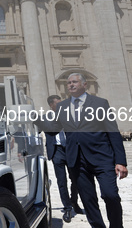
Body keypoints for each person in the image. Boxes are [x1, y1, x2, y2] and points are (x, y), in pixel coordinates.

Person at [38, 73, 127, 228]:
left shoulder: (100, 103)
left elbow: (113, 131)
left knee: (110, 195)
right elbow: (54, 128)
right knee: (88, 198)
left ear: (84, 84)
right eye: (68, 83)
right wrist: (33, 119)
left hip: (102, 157)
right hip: (77, 159)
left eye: (74, 82)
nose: (71, 85)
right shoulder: (62, 106)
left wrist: (120, 161)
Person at [41, 95, 83, 223]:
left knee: (76, 178)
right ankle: (68, 207)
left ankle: (74, 201)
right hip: (56, 151)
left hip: (70, 150)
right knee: (61, 181)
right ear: (51, 105)